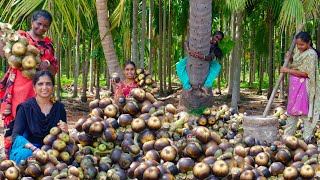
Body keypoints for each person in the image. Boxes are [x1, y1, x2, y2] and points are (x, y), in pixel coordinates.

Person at [0, 10, 58, 158]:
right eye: (39, 23)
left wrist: (45, 64)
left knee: (37, 123)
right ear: (32, 21)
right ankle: (14, 158)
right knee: (18, 123)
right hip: (18, 90)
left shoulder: (48, 44)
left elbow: (54, 69)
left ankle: (36, 158)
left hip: (39, 91)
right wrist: (1, 37)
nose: (41, 28)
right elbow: (5, 53)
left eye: (45, 26)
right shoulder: (19, 37)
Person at [9, 70, 67, 165]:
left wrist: (65, 130)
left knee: (65, 159)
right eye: (40, 84)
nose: (44, 87)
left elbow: (62, 137)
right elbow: (16, 136)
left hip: (52, 149)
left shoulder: (59, 108)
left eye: (48, 84)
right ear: (34, 88)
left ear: (53, 87)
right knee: (25, 155)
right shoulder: (25, 108)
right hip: (29, 148)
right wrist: (35, 149)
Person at [280, 31, 320, 143]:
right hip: (295, 87)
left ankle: (307, 139)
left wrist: (287, 70)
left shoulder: (311, 54)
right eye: (297, 44)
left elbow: (306, 73)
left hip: (304, 86)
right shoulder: (299, 52)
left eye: (301, 44)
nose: (299, 46)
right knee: (292, 111)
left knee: (305, 112)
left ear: (309, 43)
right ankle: (287, 137)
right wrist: (291, 58)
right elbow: (297, 65)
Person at [176, 31, 224, 96]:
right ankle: (187, 86)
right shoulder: (203, 37)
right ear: (213, 35)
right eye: (216, 37)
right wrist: (189, 51)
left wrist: (202, 57)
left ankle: (206, 86)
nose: (217, 39)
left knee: (217, 66)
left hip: (205, 60)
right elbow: (186, 41)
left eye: (219, 39)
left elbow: (210, 57)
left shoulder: (214, 48)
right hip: (192, 58)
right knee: (179, 65)